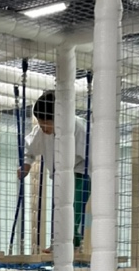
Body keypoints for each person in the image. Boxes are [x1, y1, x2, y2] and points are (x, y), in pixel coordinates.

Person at [18, 91, 90, 247]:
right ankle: (66, 243)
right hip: (59, 177)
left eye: (46, 122)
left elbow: (94, 156)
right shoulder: (41, 132)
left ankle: (68, 244)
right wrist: (26, 164)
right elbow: (29, 148)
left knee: (73, 208)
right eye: (40, 123)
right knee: (60, 212)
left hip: (81, 173)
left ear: (59, 117)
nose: (43, 127)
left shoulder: (78, 128)